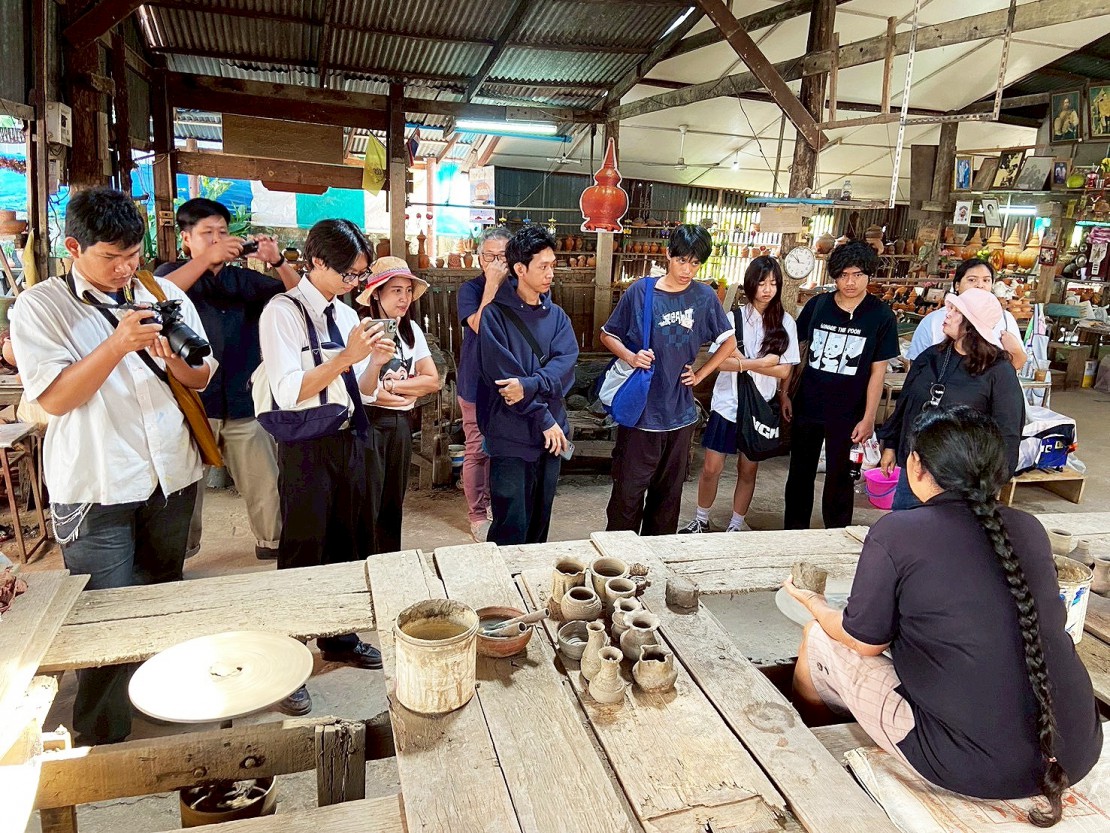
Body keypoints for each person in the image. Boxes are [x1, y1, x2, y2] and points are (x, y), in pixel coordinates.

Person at [785, 407, 1101, 827]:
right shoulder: (1029, 528)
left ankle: (811, 751)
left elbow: (864, 641)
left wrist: (814, 602)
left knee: (818, 638)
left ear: (916, 466)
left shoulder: (896, 532)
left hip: (968, 769)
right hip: (1076, 751)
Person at [10, 187, 218, 745]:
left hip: (171, 476)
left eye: (133, 254)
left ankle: (160, 699)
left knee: (160, 597)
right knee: (102, 616)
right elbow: (55, 399)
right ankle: (102, 733)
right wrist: (118, 345)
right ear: (73, 248)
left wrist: (171, 359)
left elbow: (202, 377)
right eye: (111, 257)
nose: (126, 268)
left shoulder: (162, 292)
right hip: (95, 484)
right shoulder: (40, 307)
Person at [258, 218, 394, 715]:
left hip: (348, 435)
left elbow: (358, 386)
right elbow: (288, 389)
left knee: (346, 541)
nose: (355, 283)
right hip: (307, 444)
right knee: (304, 548)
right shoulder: (283, 312)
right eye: (349, 273)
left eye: (360, 274)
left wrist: (372, 361)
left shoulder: (343, 312)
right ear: (316, 261)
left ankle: (338, 638)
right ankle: (287, 662)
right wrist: (346, 357)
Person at [155, 198, 298, 561]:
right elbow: (156, 298)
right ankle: (180, 551)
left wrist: (278, 262)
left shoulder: (244, 280)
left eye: (222, 231)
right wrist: (206, 259)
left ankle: (273, 544)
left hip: (242, 398)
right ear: (186, 238)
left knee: (264, 480)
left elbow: (301, 297)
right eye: (208, 233)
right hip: (191, 403)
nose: (218, 239)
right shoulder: (170, 276)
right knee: (185, 485)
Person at [600, 224, 736, 536]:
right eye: (682, 260)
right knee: (627, 497)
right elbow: (607, 335)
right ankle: (619, 558)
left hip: (680, 416)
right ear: (668, 255)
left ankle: (656, 557)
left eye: (695, 263)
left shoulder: (704, 297)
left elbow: (729, 342)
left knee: (667, 501)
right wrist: (631, 357)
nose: (688, 270)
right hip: (641, 414)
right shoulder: (641, 292)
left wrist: (700, 374)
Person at [783, 241, 898, 530]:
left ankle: (837, 533)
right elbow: (794, 353)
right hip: (808, 406)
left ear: (868, 275)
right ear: (834, 276)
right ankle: (792, 533)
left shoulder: (881, 316)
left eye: (857, 275)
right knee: (799, 474)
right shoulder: (818, 306)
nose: (850, 282)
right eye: (844, 275)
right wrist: (785, 393)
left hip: (849, 413)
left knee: (841, 476)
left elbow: (878, 372)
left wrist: (869, 417)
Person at [680, 256, 799, 533]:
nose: (767, 289)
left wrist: (742, 362)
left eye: (773, 283)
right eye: (762, 282)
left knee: (748, 469)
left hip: (759, 406)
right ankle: (701, 520)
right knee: (711, 467)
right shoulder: (732, 319)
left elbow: (785, 370)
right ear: (750, 284)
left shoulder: (785, 322)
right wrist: (763, 363)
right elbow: (720, 363)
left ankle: (736, 523)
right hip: (727, 404)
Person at [476, 227, 578, 545]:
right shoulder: (494, 316)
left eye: (552, 265)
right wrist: (543, 416)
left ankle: (533, 575)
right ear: (520, 269)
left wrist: (531, 384)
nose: (550, 274)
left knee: (539, 521)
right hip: (510, 436)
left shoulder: (557, 317)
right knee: (510, 523)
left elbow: (565, 368)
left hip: (551, 437)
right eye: (543, 266)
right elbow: (504, 380)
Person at [880, 288, 1024, 510]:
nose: (947, 314)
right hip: (917, 470)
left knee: (951, 529)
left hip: (962, 478)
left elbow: (1008, 431)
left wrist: (990, 482)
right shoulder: (931, 357)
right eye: (951, 308)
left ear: (972, 325)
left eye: (957, 311)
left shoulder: (999, 372)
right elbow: (906, 405)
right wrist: (891, 445)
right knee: (907, 524)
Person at [355, 256, 441, 554]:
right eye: (396, 291)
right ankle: (364, 562)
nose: (404, 298)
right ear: (375, 294)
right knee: (367, 501)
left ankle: (390, 560)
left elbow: (433, 380)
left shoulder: (411, 330)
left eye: (407, 290)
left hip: (400, 424)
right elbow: (362, 390)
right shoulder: (362, 331)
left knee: (393, 501)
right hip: (368, 424)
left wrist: (391, 386)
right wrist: (405, 388)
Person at [455, 226, 511, 542]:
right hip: (476, 383)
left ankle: (494, 505)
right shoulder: (471, 289)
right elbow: (479, 324)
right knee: (477, 449)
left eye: (503, 256)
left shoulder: (519, 289)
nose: (496, 262)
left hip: (509, 385)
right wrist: (491, 284)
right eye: (490, 256)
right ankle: (477, 515)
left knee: (502, 448)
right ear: (479, 259)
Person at [905, 258, 1026, 371]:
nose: (980, 285)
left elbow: (1017, 365)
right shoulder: (934, 320)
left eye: (986, 280)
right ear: (957, 285)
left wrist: (1015, 350)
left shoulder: (1005, 319)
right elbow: (917, 365)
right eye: (972, 280)